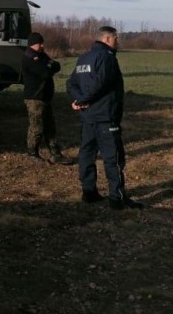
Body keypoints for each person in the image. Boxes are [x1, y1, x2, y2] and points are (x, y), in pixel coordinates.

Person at [66, 26, 143, 209]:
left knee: (87, 154)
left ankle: (89, 192)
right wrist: (83, 100)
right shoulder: (107, 58)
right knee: (113, 158)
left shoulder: (83, 58)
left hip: (87, 117)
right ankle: (117, 198)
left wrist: (78, 100)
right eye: (116, 39)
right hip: (105, 116)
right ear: (108, 39)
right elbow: (99, 84)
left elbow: (71, 83)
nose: (118, 42)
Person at [22, 32, 74, 165]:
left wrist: (49, 66)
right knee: (36, 127)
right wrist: (49, 66)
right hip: (35, 98)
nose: (42, 45)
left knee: (50, 127)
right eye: (40, 43)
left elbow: (56, 65)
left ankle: (55, 154)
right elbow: (44, 73)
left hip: (45, 97)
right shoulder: (29, 57)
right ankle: (32, 153)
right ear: (33, 44)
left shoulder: (41, 55)